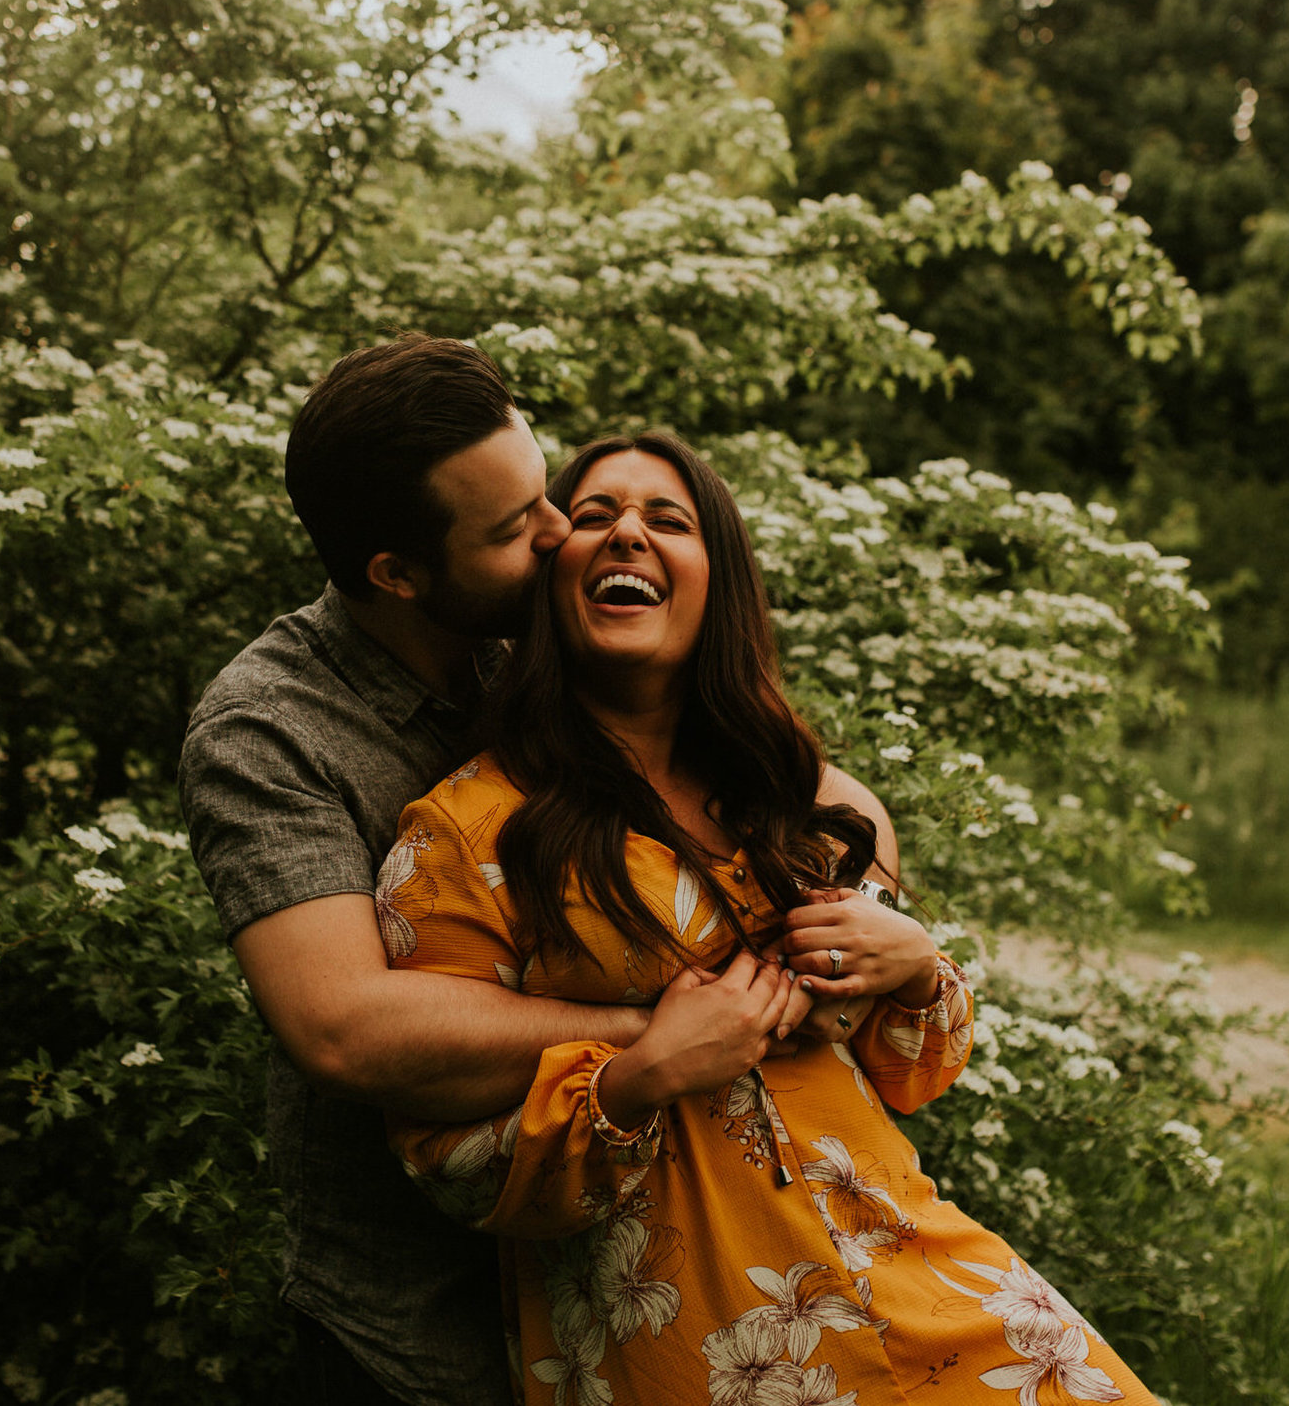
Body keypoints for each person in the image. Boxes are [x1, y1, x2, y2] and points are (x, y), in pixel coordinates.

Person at [379, 432, 1160, 1406]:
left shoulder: (801, 799)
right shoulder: (463, 831)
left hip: (929, 1285)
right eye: (593, 515)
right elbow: (444, 1159)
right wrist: (639, 1076)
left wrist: (916, 967)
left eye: (668, 519)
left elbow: (909, 1068)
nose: (628, 532)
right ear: (549, 573)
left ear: (719, 581)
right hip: (694, 1338)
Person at [180, 339, 830, 1405]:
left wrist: (874, 899)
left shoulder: (533, 626)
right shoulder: (268, 732)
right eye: (513, 525)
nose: (558, 531)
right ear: (397, 572)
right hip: (426, 1317)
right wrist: (658, 1033)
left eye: (545, 489)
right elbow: (341, 1026)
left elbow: (773, 757)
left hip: (657, 1279)